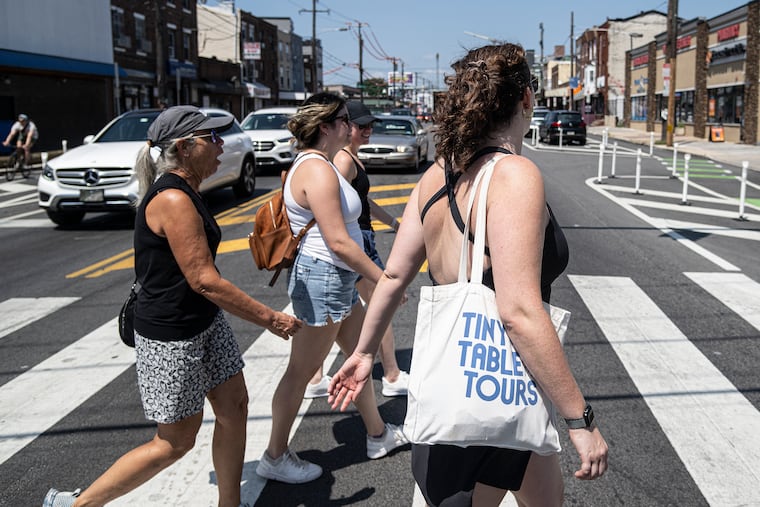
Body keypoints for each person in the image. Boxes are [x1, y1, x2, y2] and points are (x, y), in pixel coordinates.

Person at [329, 43, 608, 506]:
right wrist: (581, 420)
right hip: (493, 379)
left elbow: (395, 275)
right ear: (526, 99)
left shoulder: (437, 176)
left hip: (480, 377)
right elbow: (518, 310)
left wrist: (363, 353)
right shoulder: (514, 175)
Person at [43, 105, 302, 507]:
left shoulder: (188, 190)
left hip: (204, 321)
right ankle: (77, 505)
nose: (221, 145)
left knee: (235, 406)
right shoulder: (173, 199)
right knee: (174, 442)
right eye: (212, 138)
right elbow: (203, 279)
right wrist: (270, 318)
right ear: (184, 147)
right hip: (172, 334)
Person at [255, 92, 408, 485]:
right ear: (325, 127)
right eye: (343, 118)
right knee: (300, 372)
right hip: (323, 279)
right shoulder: (318, 170)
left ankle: (377, 435)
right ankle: (274, 456)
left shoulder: (321, 165)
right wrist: (383, 279)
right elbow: (338, 241)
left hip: (332, 278)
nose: (351, 124)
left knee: (360, 355)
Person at [303, 100, 410, 399]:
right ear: (345, 127)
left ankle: (314, 379)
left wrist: (392, 221)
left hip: (362, 237)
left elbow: (363, 201)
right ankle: (391, 375)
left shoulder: (352, 158)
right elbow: (335, 207)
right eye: (361, 126)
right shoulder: (344, 161)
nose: (368, 131)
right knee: (380, 306)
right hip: (356, 241)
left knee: (345, 317)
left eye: (370, 126)